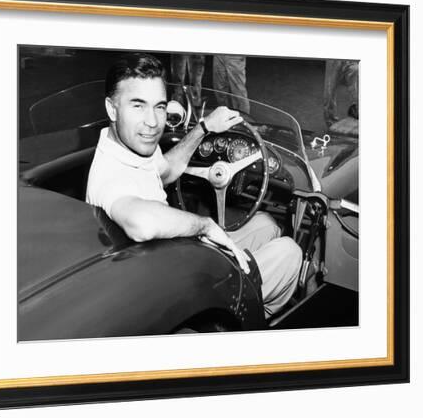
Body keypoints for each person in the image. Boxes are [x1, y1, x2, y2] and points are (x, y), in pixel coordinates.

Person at [86, 53, 301, 318]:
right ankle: (250, 320)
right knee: (290, 252)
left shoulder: (132, 143)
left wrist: (203, 128)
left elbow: (165, 172)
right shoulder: (110, 175)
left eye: (160, 106)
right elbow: (141, 222)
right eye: (138, 105)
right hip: (172, 284)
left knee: (266, 224)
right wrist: (205, 225)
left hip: (177, 251)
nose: (153, 122)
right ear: (111, 108)